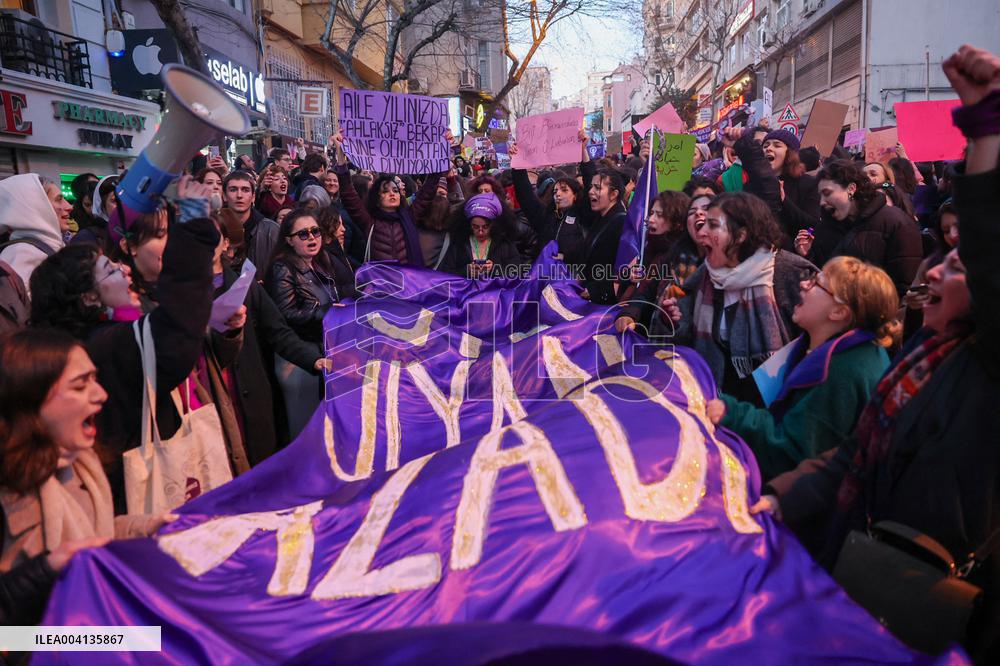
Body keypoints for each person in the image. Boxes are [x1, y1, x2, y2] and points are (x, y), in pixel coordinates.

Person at [756, 45, 1000, 662]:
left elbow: (991, 243)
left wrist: (987, 124)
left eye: (957, 263)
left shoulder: (984, 369)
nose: (938, 270)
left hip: (933, 603)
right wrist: (784, 496)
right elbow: (859, 450)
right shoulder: (924, 361)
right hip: (863, 566)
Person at [28, 176, 220, 514]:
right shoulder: (105, 347)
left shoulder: (105, 335)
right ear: (89, 297)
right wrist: (192, 221)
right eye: (108, 269)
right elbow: (178, 328)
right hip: (133, 504)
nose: (123, 270)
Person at [0, 328, 172, 592]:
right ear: (31, 402)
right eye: (80, 385)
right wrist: (44, 573)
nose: (101, 394)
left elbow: (96, 534)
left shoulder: (80, 464)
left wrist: (147, 526)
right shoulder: (8, 494)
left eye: (94, 379)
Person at [706, 257, 897, 481]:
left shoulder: (842, 372)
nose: (804, 284)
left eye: (817, 283)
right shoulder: (826, 347)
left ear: (838, 312)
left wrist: (731, 412)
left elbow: (790, 454)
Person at [661, 192, 816, 402]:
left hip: (777, 410)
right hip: (717, 404)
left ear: (741, 235)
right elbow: (686, 343)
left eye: (713, 225)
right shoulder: (703, 276)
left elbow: (821, 346)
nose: (702, 232)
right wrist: (672, 320)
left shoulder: (792, 274)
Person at [210, 217, 328, 464]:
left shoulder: (244, 284)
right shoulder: (182, 292)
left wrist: (314, 360)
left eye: (211, 236)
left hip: (250, 390)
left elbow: (278, 330)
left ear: (225, 243)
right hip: (211, 392)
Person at [798, 159, 922, 298]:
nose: (822, 202)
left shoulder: (895, 222)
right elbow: (819, 272)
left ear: (851, 189)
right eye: (820, 195)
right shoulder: (826, 226)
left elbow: (900, 285)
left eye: (827, 193)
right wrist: (808, 255)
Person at [265, 209, 339, 438]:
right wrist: (325, 312)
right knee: (304, 431)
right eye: (303, 234)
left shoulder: (320, 263)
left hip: (321, 353)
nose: (312, 238)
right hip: (297, 361)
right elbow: (285, 314)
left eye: (315, 232)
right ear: (289, 240)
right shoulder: (282, 268)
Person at [331, 132, 442, 265]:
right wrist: (341, 157)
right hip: (381, 283)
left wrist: (440, 152)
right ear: (376, 198)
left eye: (395, 190)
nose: (392, 194)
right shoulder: (369, 221)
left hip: (409, 282)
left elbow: (427, 191)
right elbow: (348, 193)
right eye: (385, 191)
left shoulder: (410, 216)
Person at [510, 132, 593, 265]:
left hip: (573, 280)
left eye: (564, 190)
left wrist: (583, 152)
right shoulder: (545, 217)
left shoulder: (584, 216)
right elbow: (525, 196)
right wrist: (517, 164)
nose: (558, 194)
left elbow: (590, 184)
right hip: (545, 278)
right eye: (555, 191)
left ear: (576, 195)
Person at [616, 190, 692, 332]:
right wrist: (629, 277)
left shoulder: (678, 258)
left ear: (678, 223)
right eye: (651, 213)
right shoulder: (649, 248)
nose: (651, 219)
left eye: (660, 215)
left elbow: (648, 293)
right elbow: (641, 291)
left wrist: (631, 314)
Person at [729, 126, 821, 245]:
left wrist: (784, 201)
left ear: (790, 154)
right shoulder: (752, 184)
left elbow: (812, 225)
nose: (768, 149)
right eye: (765, 145)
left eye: (777, 145)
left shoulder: (807, 183)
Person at [0, 174, 72, 293]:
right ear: (36, 206)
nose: (69, 206)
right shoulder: (21, 253)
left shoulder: (51, 245)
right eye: (59, 199)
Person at [438, 193, 522, 279]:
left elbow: (517, 273)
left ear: (493, 224)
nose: (480, 232)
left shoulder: (504, 244)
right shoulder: (460, 244)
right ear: (469, 224)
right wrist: (466, 271)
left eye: (485, 227)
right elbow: (444, 273)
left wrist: (494, 270)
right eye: (475, 227)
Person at [582, 169, 628, 304]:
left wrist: (596, 290)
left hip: (605, 305)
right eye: (591, 186)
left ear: (614, 194)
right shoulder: (600, 218)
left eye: (597, 187)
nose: (590, 191)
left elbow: (625, 270)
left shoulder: (621, 223)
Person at [224, 169, 278, 277]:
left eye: (245, 190)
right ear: (224, 196)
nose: (239, 195)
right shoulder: (213, 229)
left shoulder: (272, 230)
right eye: (233, 189)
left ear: (253, 197)